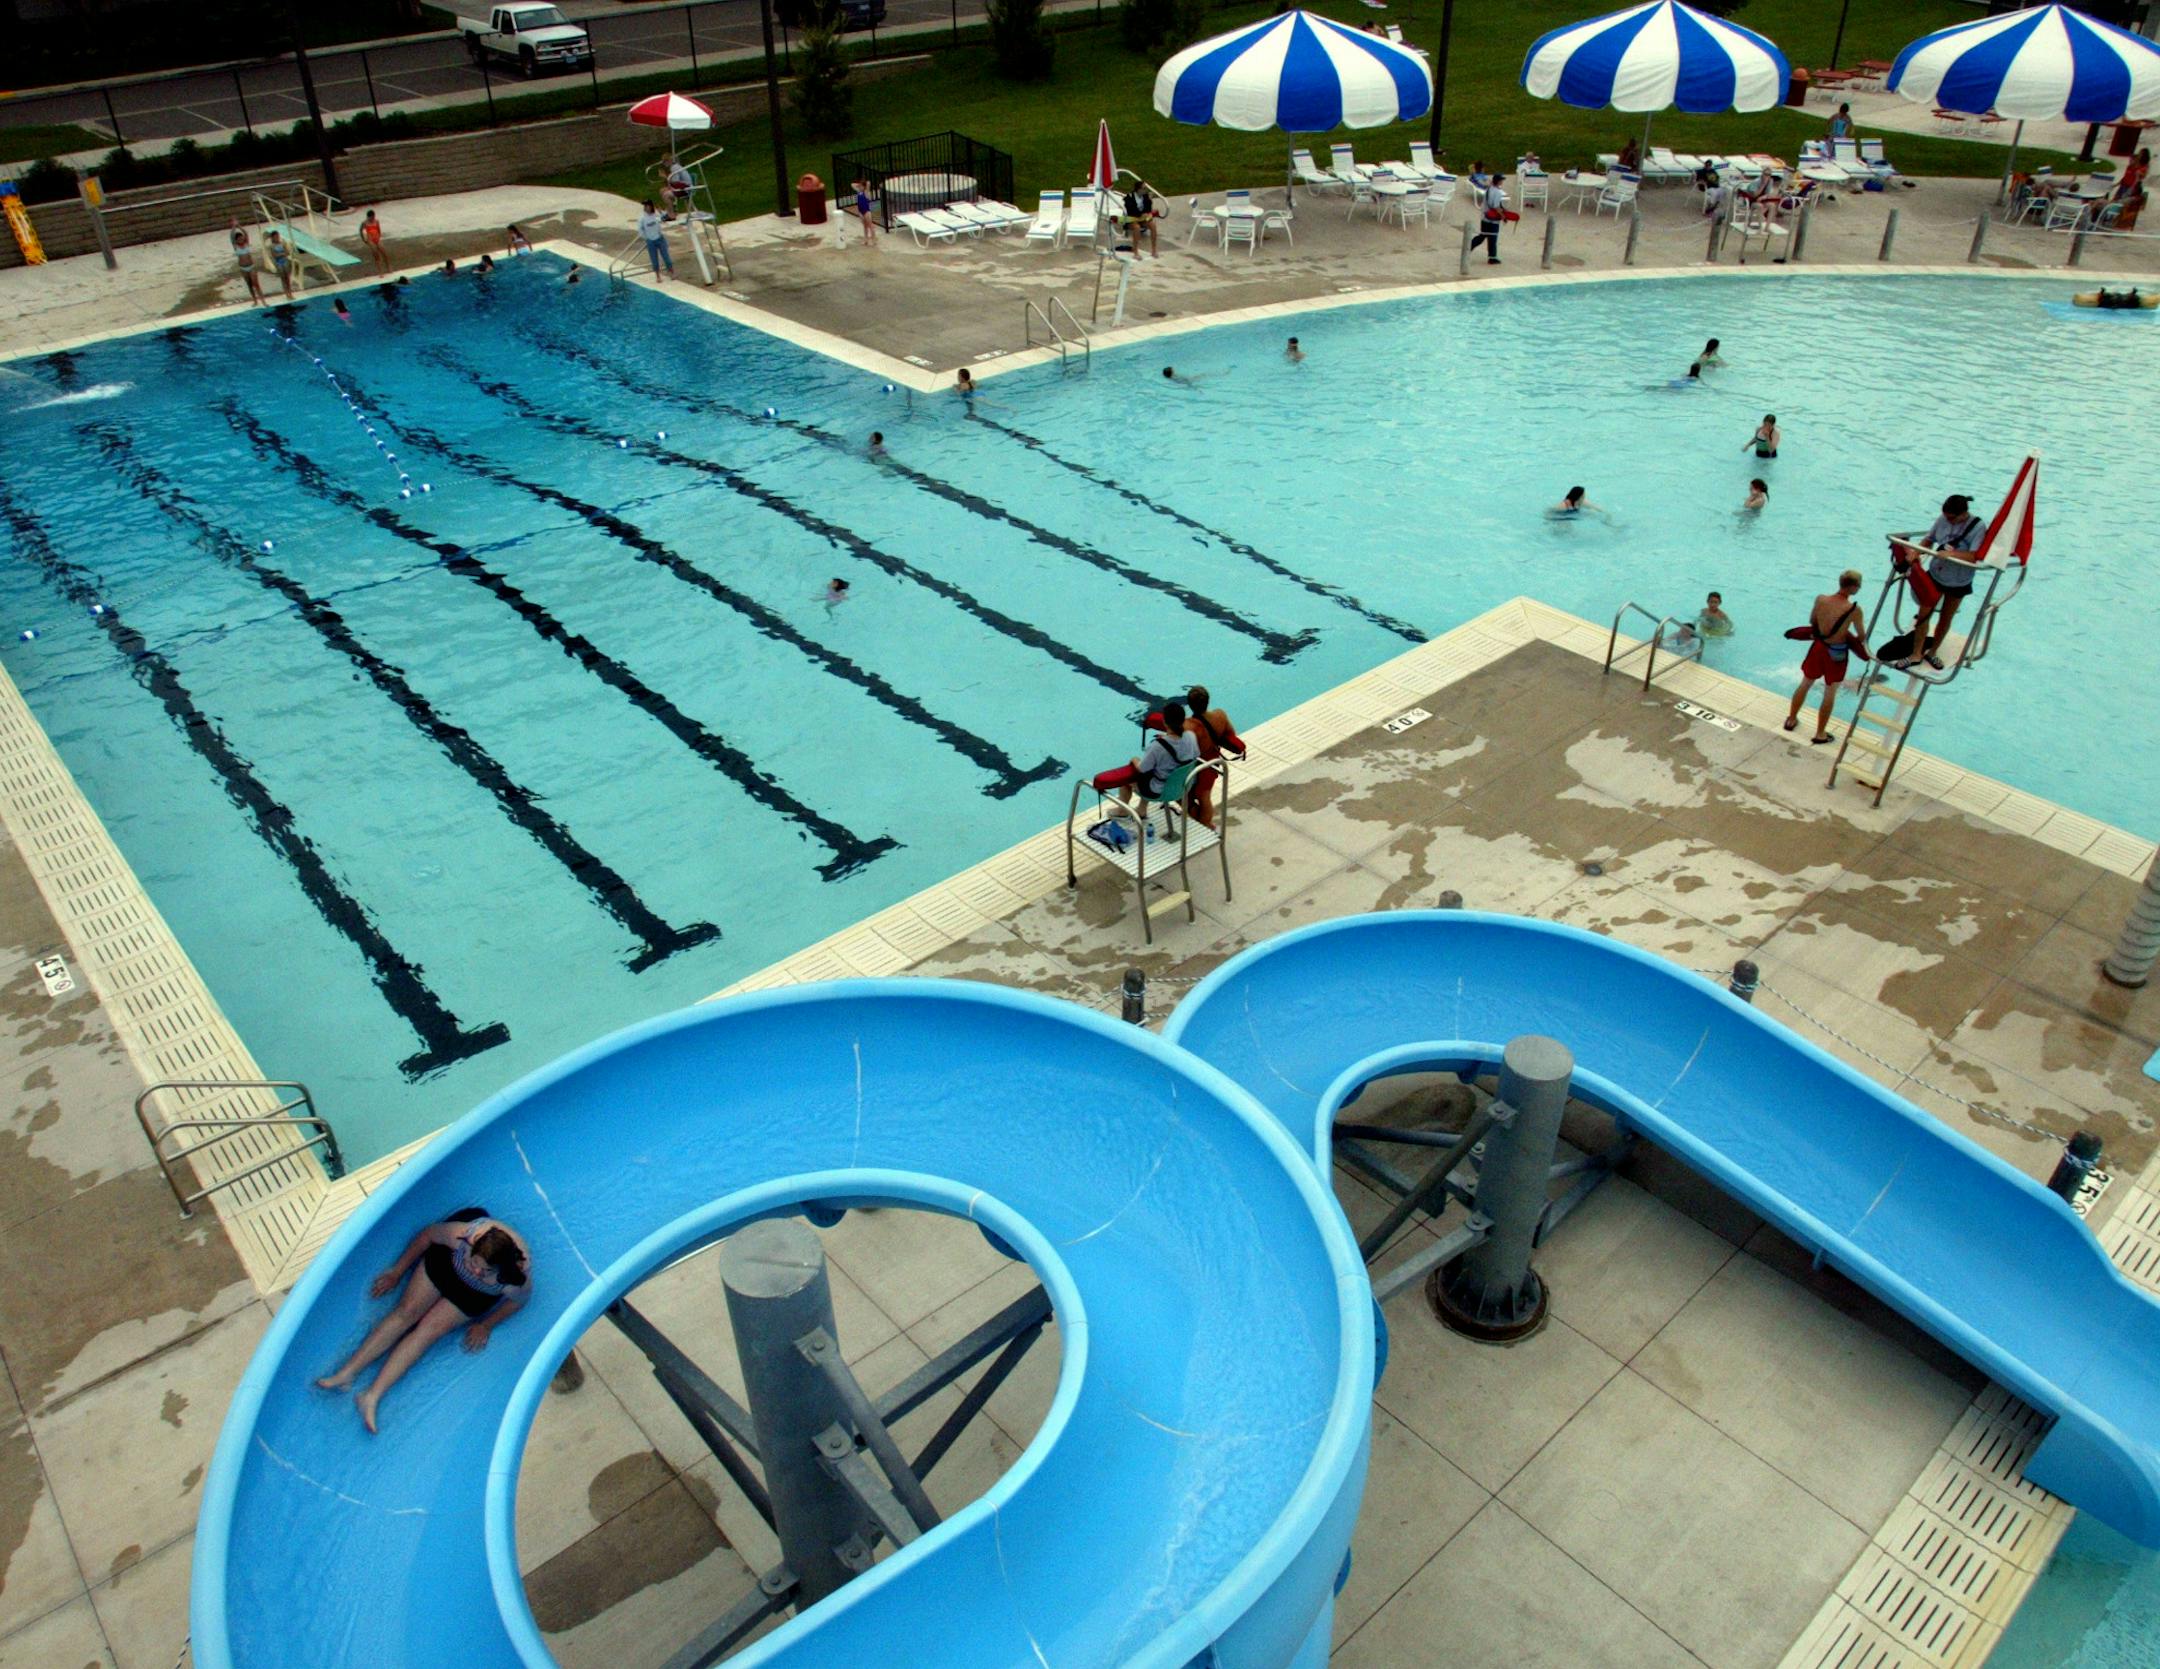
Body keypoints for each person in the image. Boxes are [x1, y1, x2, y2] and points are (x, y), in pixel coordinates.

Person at [315, 1208, 531, 1433]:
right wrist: (397, 1271)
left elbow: (518, 1302)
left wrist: (486, 1325)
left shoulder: (515, 1277)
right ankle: (346, 1373)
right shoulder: (463, 1235)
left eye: (484, 1270)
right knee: (405, 1313)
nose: (476, 1271)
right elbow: (428, 1235)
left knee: (427, 1333)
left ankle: (371, 1396)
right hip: (447, 1264)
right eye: (474, 1262)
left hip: (476, 1293)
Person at [1895, 492, 1986, 670]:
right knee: (1924, 614)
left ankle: (1933, 652)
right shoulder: (1943, 519)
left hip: (1959, 580)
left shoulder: (1978, 527)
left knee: (1946, 617)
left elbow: (1975, 555)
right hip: (1936, 574)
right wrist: (1917, 551)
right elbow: (1929, 539)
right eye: (1946, 517)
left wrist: (1952, 554)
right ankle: (1916, 653)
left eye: (1952, 518)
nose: (1948, 521)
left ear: (1963, 514)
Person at [1785, 569, 1870, 743]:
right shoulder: (1854, 609)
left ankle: (1791, 719)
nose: (1859, 588)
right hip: (1836, 653)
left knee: (1806, 683)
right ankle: (1820, 733)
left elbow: (1812, 621)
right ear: (1854, 587)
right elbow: (1861, 636)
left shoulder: (1821, 599)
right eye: (1859, 585)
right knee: (1830, 692)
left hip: (1818, 647)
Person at [1091, 701, 1198, 810]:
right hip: (1182, 787)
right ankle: (1141, 809)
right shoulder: (1191, 736)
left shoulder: (1157, 746)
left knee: (1135, 777)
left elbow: (1142, 769)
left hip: (1158, 790)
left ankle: (1121, 811)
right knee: (1156, 770)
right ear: (1183, 720)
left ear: (1164, 722)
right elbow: (1191, 756)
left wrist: (1134, 760)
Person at [1179, 685, 1246, 829]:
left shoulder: (1189, 726)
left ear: (1189, 705)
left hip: (1198, 765)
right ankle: (1205, 822)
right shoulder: (1220, 715)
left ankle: (1206, 824)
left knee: (1199, 796)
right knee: (1204, 795)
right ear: (1207, 701)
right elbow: (1230, 734)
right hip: (1213, 761)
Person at [1470, 171, 1507, 264]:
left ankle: (1468, 247)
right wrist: (1503, 216)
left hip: (1484, 217)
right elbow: (1496, 206)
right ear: (1498, 181)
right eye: (1502, 180)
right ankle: (1492, 257)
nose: (1502, 181)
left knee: (1482, 235)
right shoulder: (1498, 192)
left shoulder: (1488, 189)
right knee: (1493, 237)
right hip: (1492, 219)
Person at [637, 199, 674, 280]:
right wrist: (646, 238)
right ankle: (658, 276)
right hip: (650, 241)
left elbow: (667, 217)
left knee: (666, 257)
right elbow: (640, 230)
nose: (646, 208)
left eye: (648, 206)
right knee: (654, 259)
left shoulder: (656, 214)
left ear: (651, 206)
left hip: (660, 238)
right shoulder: (642, 218)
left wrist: (661, 211)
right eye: (645, 206)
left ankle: (671, 272)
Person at [230, 224, 265, 306]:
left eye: (242, 238)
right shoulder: (236, 247)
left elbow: (246, 233)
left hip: (251, 267)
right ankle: (255, 301)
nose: (241, 240)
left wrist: (239, 226)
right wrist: (234, 227)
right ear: (236, 240)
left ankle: (263, 301)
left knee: (256, 284)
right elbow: (231, 237)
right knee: (249, 285)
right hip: (243, 268)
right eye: (239, 239)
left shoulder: (246, 244)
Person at [1122, 179, 1159, 256]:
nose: (1146, 190)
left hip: (1142, 219)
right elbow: (1130, 210)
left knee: (1153, 225)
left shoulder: (1145, 197)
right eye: (1144, 188)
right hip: (1131, 219)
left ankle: (1154, 250)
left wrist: (1149, 200)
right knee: (1137, 228)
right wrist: (1140, 215)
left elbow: (1148, 210)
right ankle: (1135, 252)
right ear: (1139, 189)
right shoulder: (1129, 197)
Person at [263, 229, 294, 300]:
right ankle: (287, 294)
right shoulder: (272, 246)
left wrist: (282, 254)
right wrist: (283, 254)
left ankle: (290, 293)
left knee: (287, 278)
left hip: (285, 261)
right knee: (283, 278)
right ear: (272, 238)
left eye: (278, 236)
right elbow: (275, 256)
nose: (277, 238)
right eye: (276, 236)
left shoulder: (282, 243)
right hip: (279, 263)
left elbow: (288, 252)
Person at [360, 208, 388, 275]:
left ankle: (388, 267)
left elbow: (379, 230)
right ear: (368, 217)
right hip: (370, 240)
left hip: (377, 239)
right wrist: (364, 239)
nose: (372, 219)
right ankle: (380, 271)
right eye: (371, 218)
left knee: (384, 253)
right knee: (376, 255)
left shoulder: (376, 221)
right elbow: (361, 230)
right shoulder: (364, 223)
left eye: (373, 217)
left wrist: (378, 237)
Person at [851, 177, 877, 247]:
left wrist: (864, 184)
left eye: (861, 186)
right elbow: (852, 184)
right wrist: (859, 184)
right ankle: (866, 239)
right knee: (865, 226)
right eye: (859, 186)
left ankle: (873, 240)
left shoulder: (866, 192)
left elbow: (868, 183)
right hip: (861, 211)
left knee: (870, 226)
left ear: (864, 186)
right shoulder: (859, 192)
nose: (860, 187)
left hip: (866, 211)